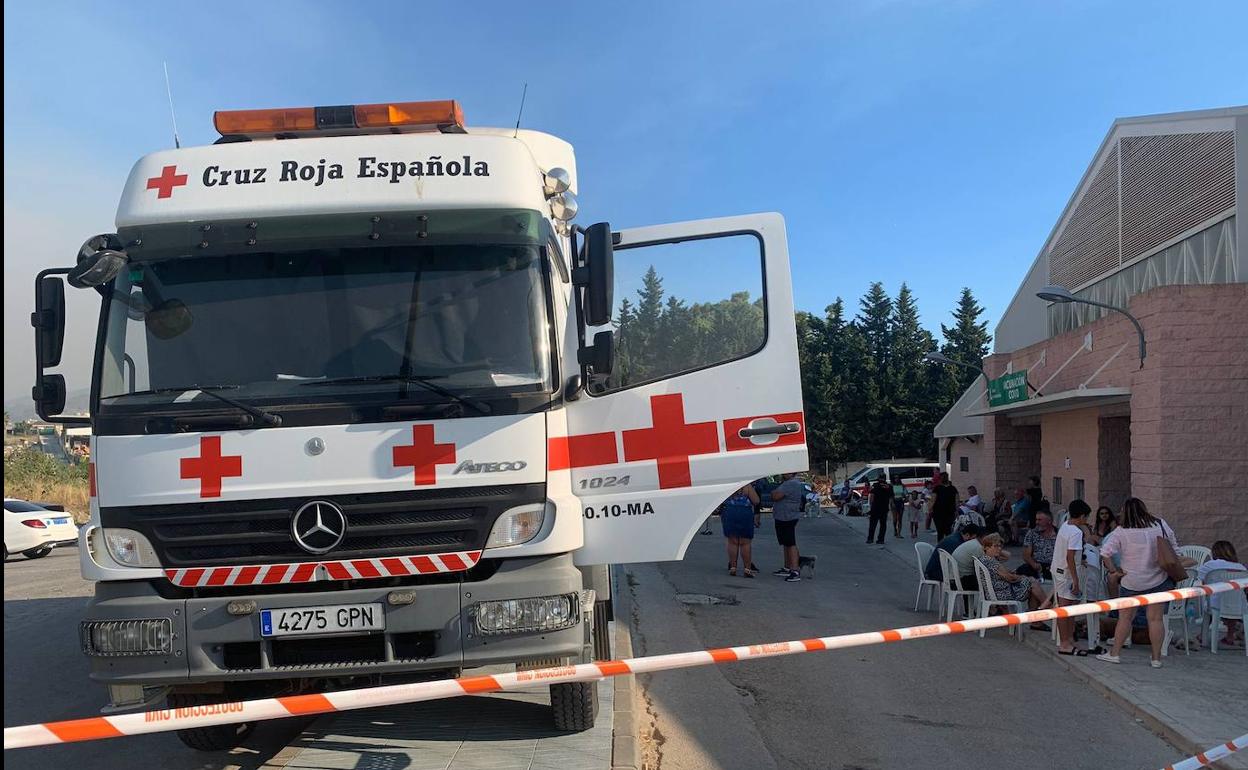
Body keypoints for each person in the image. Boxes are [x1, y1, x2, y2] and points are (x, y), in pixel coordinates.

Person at [1096, 498, 1181, 668]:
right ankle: (1156, 658)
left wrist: (1114, 571)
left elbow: (1105, 553)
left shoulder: (1121, 531)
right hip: (1159, 579)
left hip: (1131, 581)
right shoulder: (1159, 524)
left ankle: (1115, 653)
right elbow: (1174, 547)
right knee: (1156, 620)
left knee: (1125, 619)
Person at [1053, 500, 1097, 655]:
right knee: (1065, 609)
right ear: (1083, 516)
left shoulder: (1065, 526)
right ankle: (1064, 643)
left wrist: (1080, 560)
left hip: (1059, 570)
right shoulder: (1076, 533)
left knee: (1068, 609)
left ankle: (1069, 639)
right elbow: (1070, 557)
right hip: (1067, 574)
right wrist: (1076, 581)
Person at [975, 533, 1051, 621]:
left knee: (1032, 585)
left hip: (997, 591)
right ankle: (1046, 606)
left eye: (1000, 546)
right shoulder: (991, 561)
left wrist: (997, 550)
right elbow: (1010, 578)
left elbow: (1008, 556)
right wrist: (1021, 577)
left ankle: (1040, 613)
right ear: (986, 547)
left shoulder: (986, 558)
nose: (999, 549)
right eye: (995, 546)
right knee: (1032, 582)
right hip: (1002, 593)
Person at [1196, 540, 1247, 649]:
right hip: (1239, 606)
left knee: (1211, 600)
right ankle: (1230, 636)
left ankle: (1202, 636)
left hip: (1216, 604)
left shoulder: (1210, 565)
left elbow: (1199, 581)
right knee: (1232, 598)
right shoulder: (1241, 568)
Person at [770, 473, 805, 582]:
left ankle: (795, 569)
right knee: (785, 542)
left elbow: (776, 496)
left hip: (788, 517)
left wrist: (773, 493)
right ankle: (787, 566)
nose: (784, 473)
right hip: (783, 516)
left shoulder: (791, 483)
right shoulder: (786, 483)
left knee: (790, 543)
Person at [720, 484, 761, 577]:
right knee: (745, 542)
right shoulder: (746, 486)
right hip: (745, 513)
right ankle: (747, 569)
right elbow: (756, 500)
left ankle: (733, 567)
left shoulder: (728, 485)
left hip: (730, 512)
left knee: (732, 541)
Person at [952, 525, 1000, 591]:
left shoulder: (973, 543)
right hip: (961, 581)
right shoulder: (978, 548)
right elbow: (989, 567)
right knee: (992, 582)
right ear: (985, 537)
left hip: (956, 578)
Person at [1017, 511, 1057, 579]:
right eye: (1036, 519)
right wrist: (1034, 565)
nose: (1037, 522)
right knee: (1022, 570)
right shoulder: (1032, 533)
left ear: (1049, 521)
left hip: (1053, 566)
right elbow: (1026, 555)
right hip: (1036, 565)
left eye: (1040, 520)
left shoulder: (1059, 534)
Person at [931, 472, 959, 541]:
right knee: (947, 531)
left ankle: (941, 546)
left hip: (940, 513)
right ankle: (946, 546)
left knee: (941, 531)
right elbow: (957, 501)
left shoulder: (937, 488)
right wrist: (956, 510)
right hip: (947, 512)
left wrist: (930, 509)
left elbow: (933, 500)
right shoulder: (953, 488)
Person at [866, 476, 894, 545]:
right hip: (884, 508)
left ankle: (870, 539)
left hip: (875, 508)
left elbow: (872, 497)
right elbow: (891, 497)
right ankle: (881, 539)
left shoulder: (875, 485)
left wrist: (870, 506)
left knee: (873, 524)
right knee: (883, 525)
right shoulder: (889, 486)